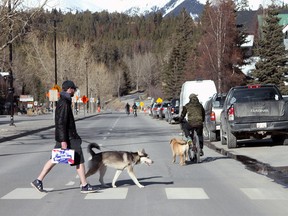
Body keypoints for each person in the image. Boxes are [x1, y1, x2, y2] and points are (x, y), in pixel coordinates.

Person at [31, 80, 98, 194]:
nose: (75, 91)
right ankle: (84, 185)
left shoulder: (64, 101)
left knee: (54, 158)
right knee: (79, 160)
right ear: (69, 89)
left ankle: (38, 180)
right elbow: (61, 123)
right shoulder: (64, 103)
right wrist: (63, 140)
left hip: (65, 137)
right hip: (68, 138)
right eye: (74, 89)